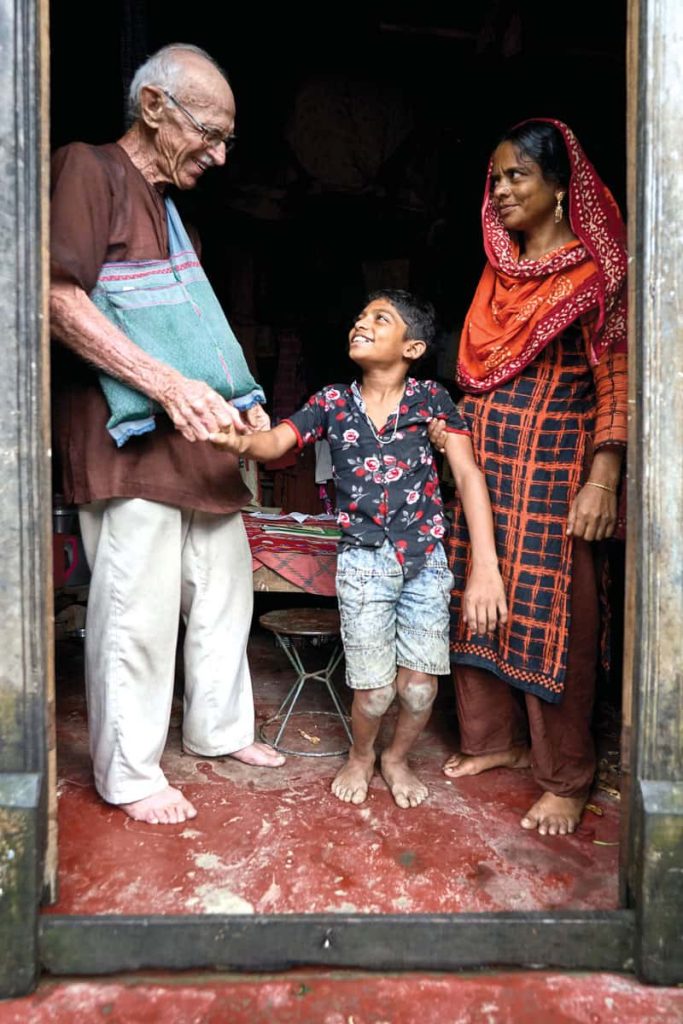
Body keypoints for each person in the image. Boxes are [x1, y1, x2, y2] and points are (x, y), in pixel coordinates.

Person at [49, 43, 285, 828]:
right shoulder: (88, 168)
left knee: (224, 585)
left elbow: (191, 329)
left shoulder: (174, 214)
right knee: (137, 610)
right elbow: (54, 296)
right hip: (127, 439)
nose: (219, 156)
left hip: (197, 445)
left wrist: (237, 400)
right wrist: (169, 386)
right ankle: (128, 773)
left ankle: (220, 728)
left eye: (226, 140)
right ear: (153, 107)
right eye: (208, 134)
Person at [211, 289, 508, 808]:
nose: (361, 323)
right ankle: (361, 755)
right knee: (374, 692)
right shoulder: (331, 402)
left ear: (413, 348)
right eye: (360, 316)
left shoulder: (431, 401)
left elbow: (467, 474)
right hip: (363, 563)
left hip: (425, 562)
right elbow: (276, 442)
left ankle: (396, 759)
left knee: (419, 689)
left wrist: (487, 567)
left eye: (380, 318)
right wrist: (240, 442)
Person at [431, 118, 627, 836]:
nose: (502, 190)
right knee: (473, 599)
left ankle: (566, 776)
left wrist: (602, 480)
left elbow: (618, 381)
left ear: (559, 187)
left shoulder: (595, 277)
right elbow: (476, 372)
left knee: (555, 617)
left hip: (555, 475)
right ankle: (494, 740)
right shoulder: (499, 273)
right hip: (483, 469)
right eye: (495, 179)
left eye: (517, 175)